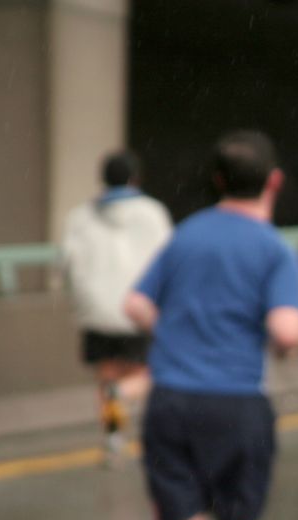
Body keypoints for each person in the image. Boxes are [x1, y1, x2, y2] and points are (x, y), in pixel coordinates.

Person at [103, 131, 298, 520]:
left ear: (217, 180)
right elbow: (287, 329)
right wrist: (276, 338)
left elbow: (135, 305)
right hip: (236, 402)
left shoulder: (187, 234)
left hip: (170, 401)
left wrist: (178, 329)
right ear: (273, 182)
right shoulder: (274, 249)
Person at [61, 150, 172, 464]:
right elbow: (168, 261)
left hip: (96, 311)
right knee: (147, 373)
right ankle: (125, 402)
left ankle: (112, 438)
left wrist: (81, 302)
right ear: (136, 177)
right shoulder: (153, 214)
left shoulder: (79, 217)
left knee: (107, 375)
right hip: (138, 309)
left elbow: (67, 265)